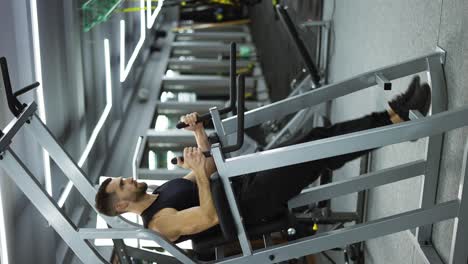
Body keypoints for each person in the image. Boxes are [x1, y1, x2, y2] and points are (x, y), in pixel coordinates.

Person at [95, 76, 431, 243]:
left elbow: (208, 168)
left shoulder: (162, 191)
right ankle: (394, 120)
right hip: (251, 204)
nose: (127, 180)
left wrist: (198, 134)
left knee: (316, 141)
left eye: (121, 177)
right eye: (121, 185)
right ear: (122, 206)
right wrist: (199, 174)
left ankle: (392, 119)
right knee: (318, 151)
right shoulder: (158, 225)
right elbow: (210, 216)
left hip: (244, 180)